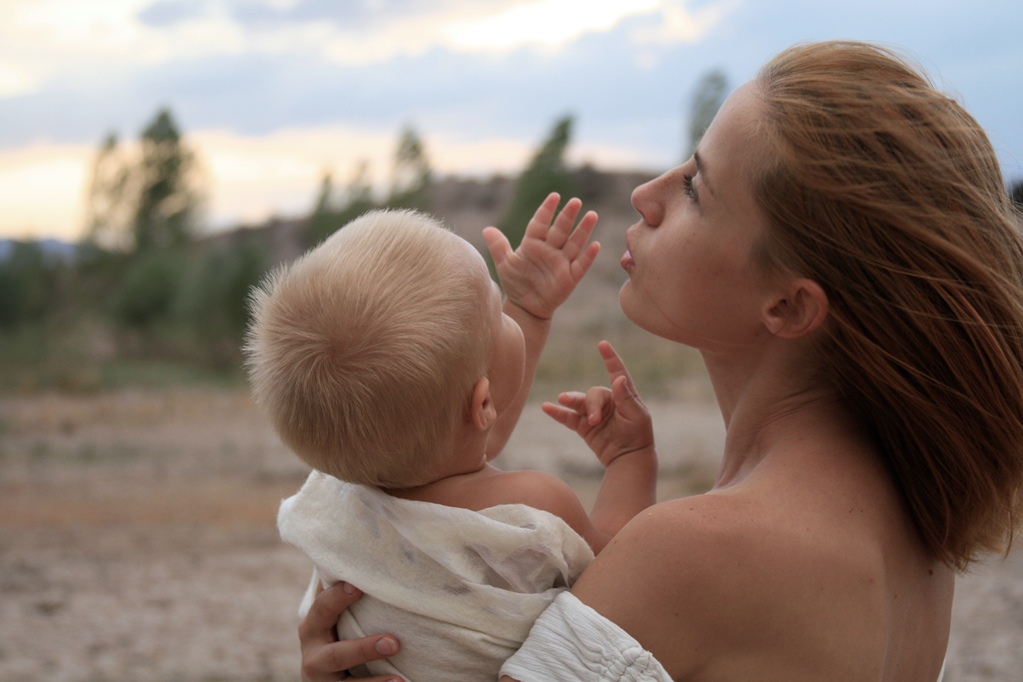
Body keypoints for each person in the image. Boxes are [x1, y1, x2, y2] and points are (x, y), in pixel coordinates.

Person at [297, 40, 1023, 682]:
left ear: (789, 308)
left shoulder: (695, 553)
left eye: (695, 188)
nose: (645, 196)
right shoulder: (918, 537)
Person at [244, 196, 658, 681]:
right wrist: (632, 458)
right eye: (497, 306)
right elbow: (623, 574)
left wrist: (526, 307)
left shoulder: (346, 502)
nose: (505, 306)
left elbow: (470, 432)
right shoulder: (533, 510)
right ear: (482, 403)